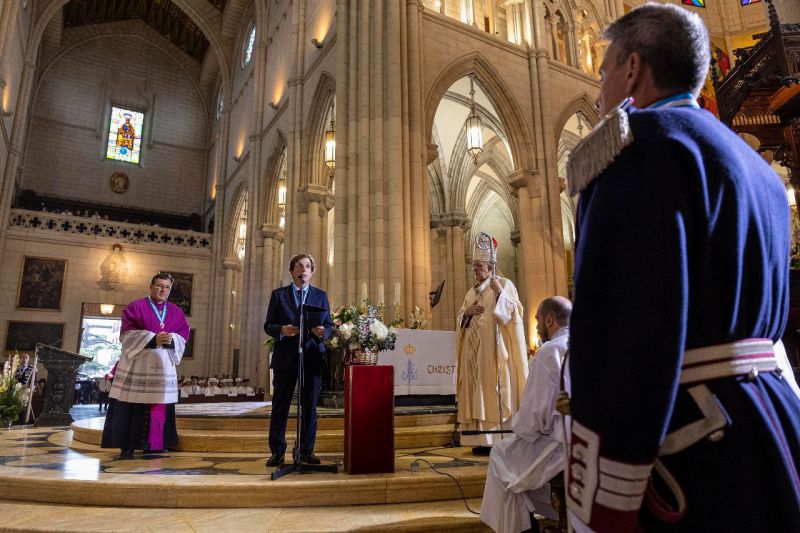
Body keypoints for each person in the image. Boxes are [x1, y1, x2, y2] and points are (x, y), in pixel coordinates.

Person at [564, 4, 800, 532]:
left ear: (632, 70)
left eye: (603, 71)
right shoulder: (760, 171)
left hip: (688, 447)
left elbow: (622, 332)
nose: (599, 86)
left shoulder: (635, 149)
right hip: (773, 424)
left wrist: (603, 495)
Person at [481, 296, 572, 533]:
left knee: (501, 456)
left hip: (563, 447)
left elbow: (533, 420)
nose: (538, 325)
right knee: (516, 470)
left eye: (538, 320)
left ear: (549, 320)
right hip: (593, 444)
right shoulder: (591, 346)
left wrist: (518, 427)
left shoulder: (549, 352)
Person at [101, 273, 190, 459]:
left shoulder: (175, 311)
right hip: (138, 364)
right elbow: (127, 335)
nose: (163, 290)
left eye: (167, 287)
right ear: (151, 286)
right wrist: (153, 338)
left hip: (162, 366)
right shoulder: (136, 307)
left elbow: (184, 334)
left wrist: (172, 339)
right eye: (159, 286)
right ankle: (128, 445)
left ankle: (155, 444)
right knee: (132, 405)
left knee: (158, 406)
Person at [456, 232, 528, 455]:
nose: (475, 270)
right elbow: (460, 320)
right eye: (474, 266)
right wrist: (465, 315)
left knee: (493, 391)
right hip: (474, 356)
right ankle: (479, 439)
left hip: (494, 354)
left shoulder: (504, 284)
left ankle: (497, 439)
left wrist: (500, 294)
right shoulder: (470, 292)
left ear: (490, 267)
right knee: (476, 392)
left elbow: (515, 314)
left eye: (478, 266)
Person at [264, 253, 333, 467]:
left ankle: (306, 451)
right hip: (286, 358)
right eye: (298, 266)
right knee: (280, 406)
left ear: (312, 272)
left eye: (307, 266)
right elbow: (269, 325)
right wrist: (282, 330)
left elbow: (329, 325)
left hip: (311, 357)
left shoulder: (320, 295)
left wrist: (325, 332)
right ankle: (277, 451)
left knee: (310, 406)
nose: (303, 270)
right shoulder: (279, 295)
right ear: (292, 271)